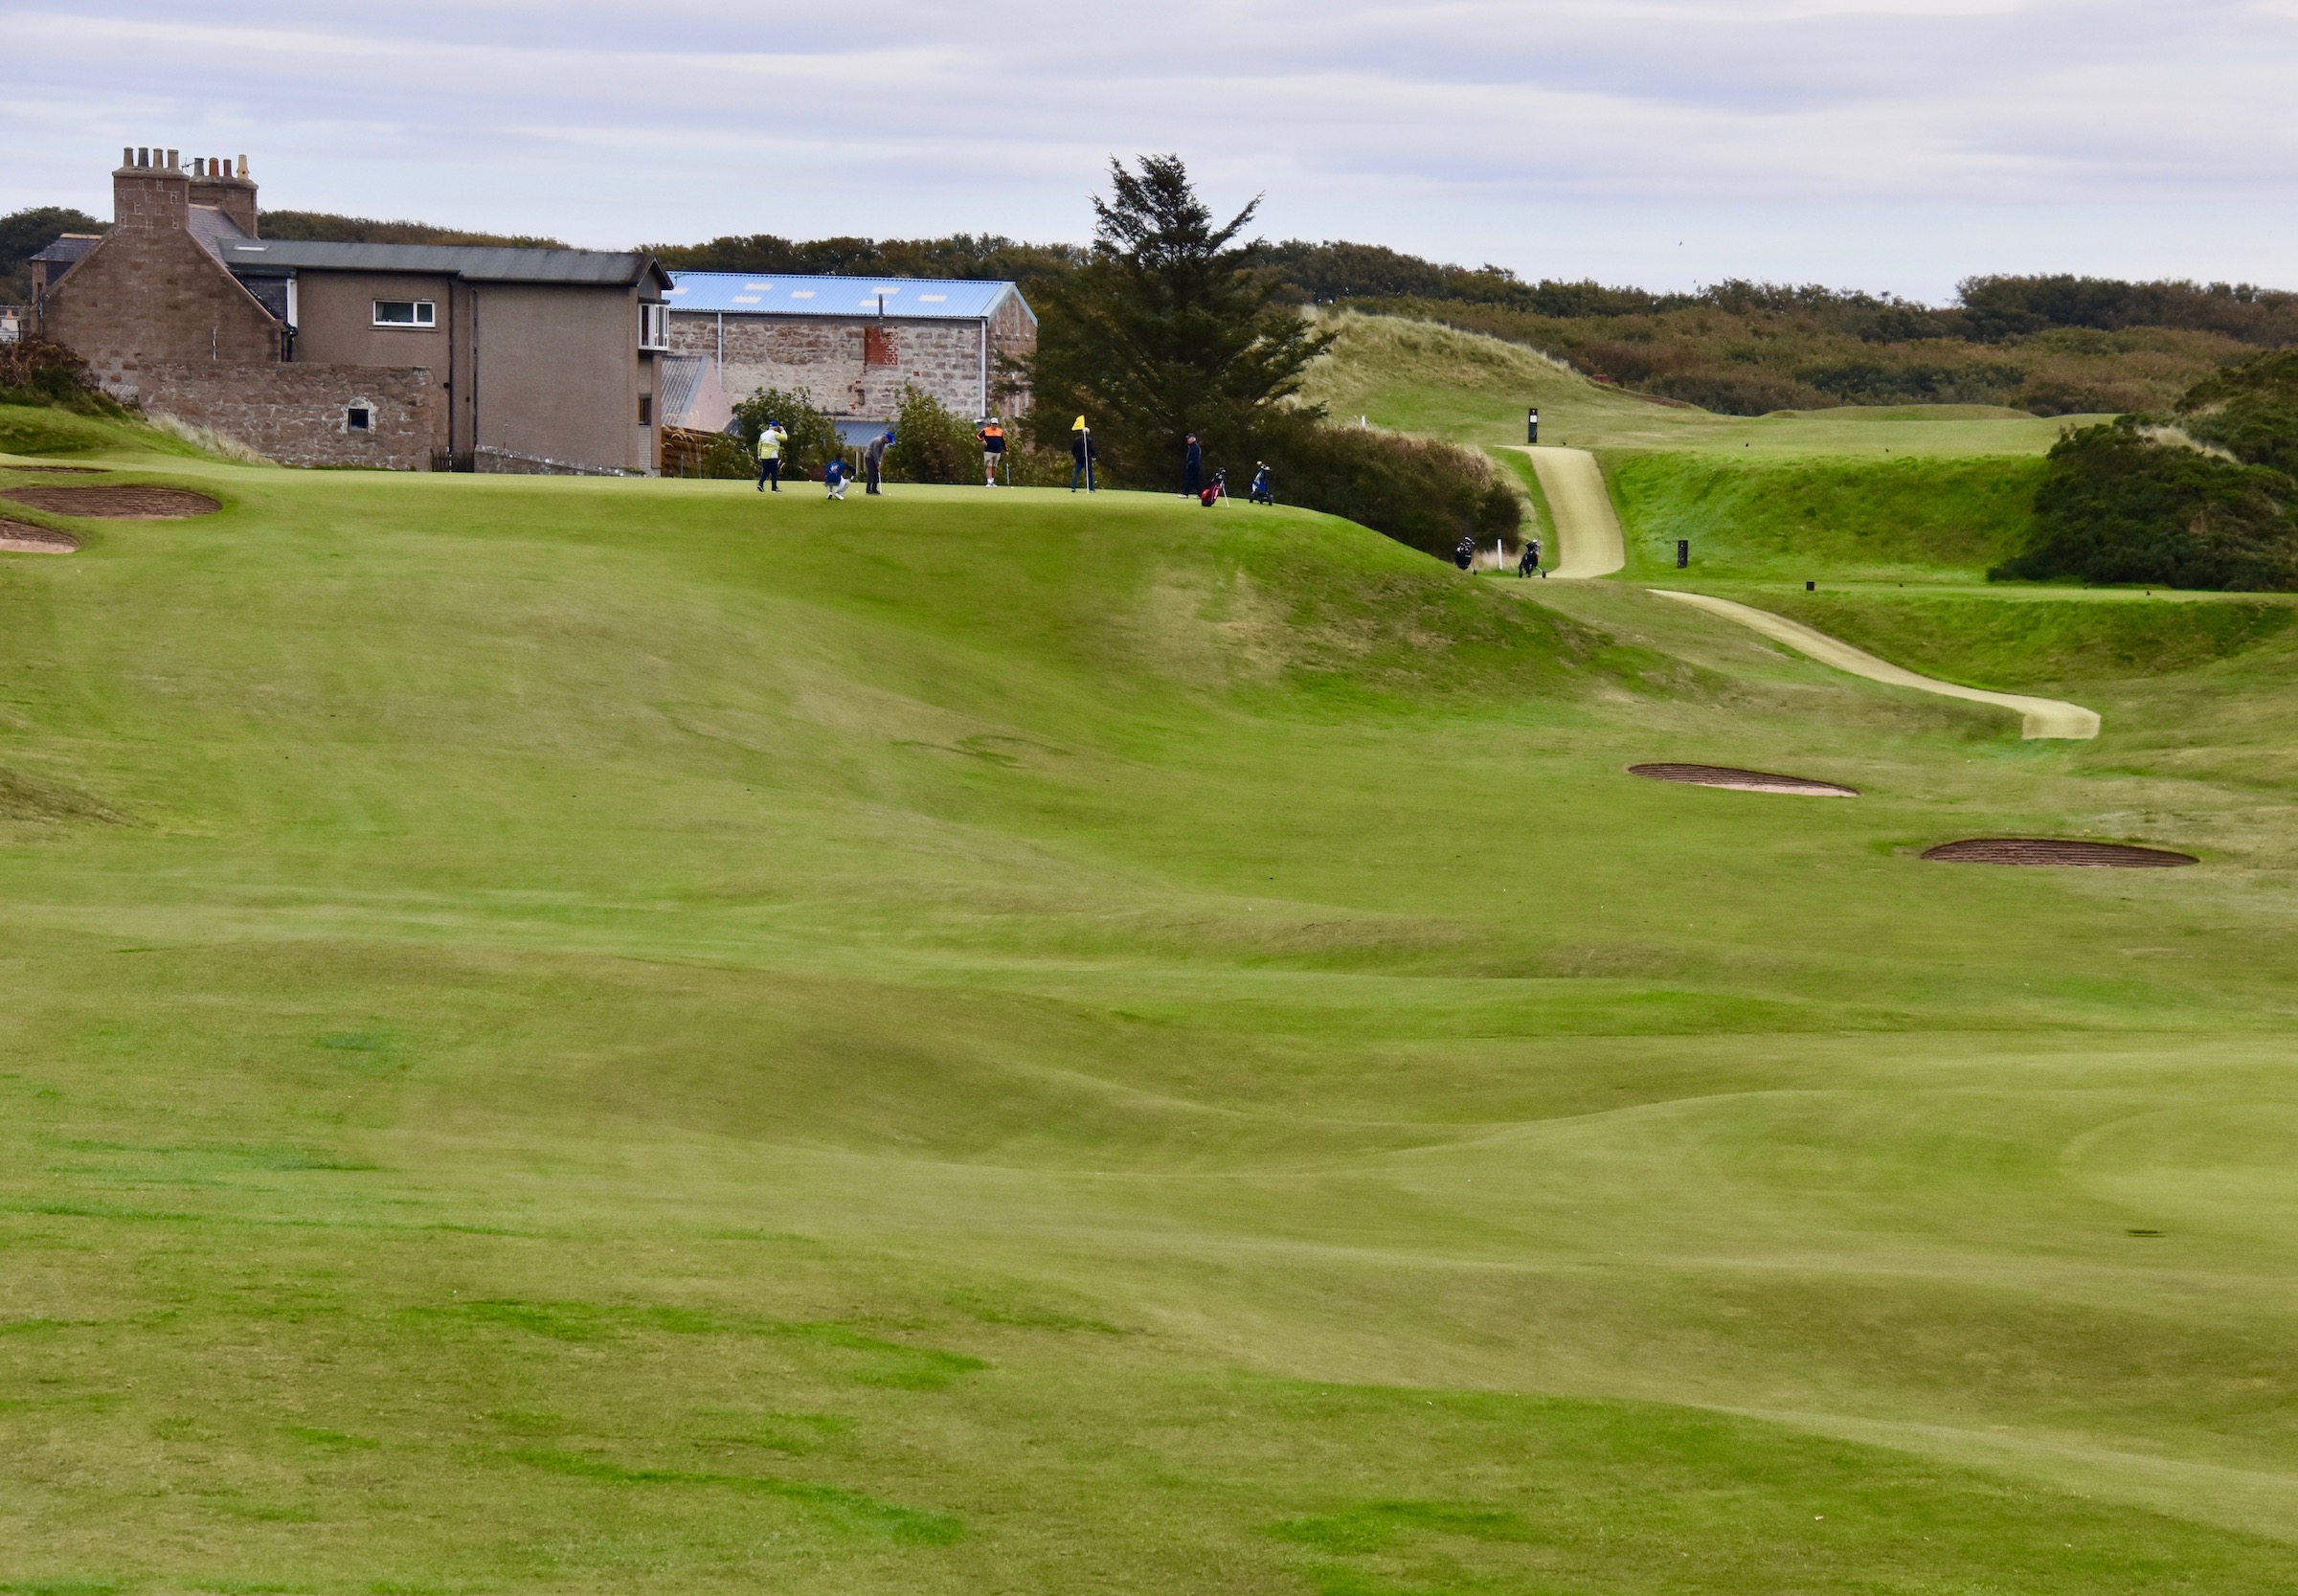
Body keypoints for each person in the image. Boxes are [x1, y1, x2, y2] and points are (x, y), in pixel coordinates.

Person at [755, 418, 787, 492]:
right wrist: (782, 430)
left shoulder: (763, 435)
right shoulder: (775, 434)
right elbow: (785, 438)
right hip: (772, 455)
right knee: (774, 472)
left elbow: (759, 445)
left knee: (765, 471)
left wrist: (759, 455)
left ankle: (760, 484)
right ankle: (774, 488)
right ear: (775, 427)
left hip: (764, 456)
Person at [978, 416, 1006, 486]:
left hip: (997, 451)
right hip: (988, 451)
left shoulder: (1000, 431)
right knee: (989, 466)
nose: (994, 425)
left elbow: (1002, 441)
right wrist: (982, 441)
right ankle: (989, 481)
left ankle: (992, 481)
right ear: (990, 424)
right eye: (993, 424)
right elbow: (978, 436)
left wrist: (1006, 450)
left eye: (995, 424)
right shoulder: (985, 430)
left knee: (994, 467)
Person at [1070, 416, 1094, 493]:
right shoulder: (1089, 440)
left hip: (1079, 459)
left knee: (1076, 473)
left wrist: (1074, 455)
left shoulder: (1077, 440)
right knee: (1089, 474)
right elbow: (1092, 449)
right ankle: (1091, 489)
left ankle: (1073, 488)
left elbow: (1073, 449)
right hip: (1086, 459)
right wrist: (1094, 456)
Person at [865, 430, 892, 496]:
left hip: (875, 458)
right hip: (869, 457)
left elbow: (880, 454)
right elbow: (875, 453)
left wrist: (879, 462)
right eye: (888, 441)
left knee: (876, 474)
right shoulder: (878, 441)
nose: (888, 442)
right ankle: (868, 490)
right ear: (886, 438)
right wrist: (877, 463)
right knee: (871, 473)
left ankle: (874, 489)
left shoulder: (883, 443)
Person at [1183, 433, 1203, 499]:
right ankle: (1200, 494)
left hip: (1193, 466)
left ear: (1193, 439)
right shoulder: (1192, 446)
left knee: (1190, 479)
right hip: (1194, 466)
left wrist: (1190, 464)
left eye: (1189, 438)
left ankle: (1185, 494)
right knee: (1196, 481)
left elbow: (1194, 458)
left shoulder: (1195, 447)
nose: (1188, 440)